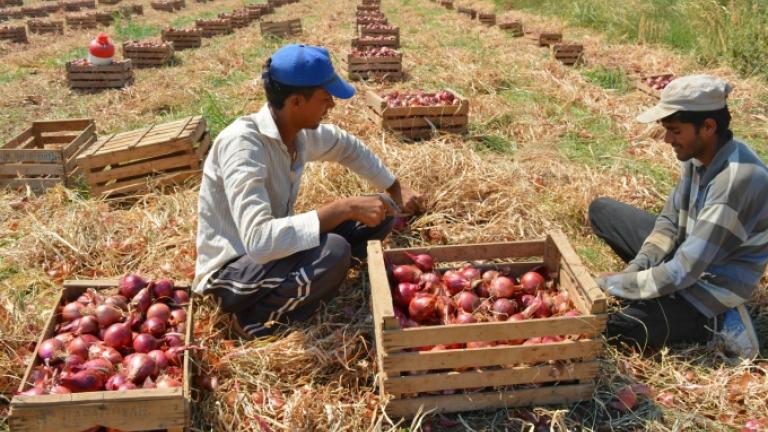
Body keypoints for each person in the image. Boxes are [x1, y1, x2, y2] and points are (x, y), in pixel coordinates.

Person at [193, 44, 424, 339]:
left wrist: (393, 186)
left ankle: (323, 278)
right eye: (325, 97)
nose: (332, 103)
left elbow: (345, 146)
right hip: (231, 275)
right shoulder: (243, 146)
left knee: (379, 210)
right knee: (335, 250)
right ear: (296, 102)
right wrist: (344, 208)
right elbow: (259, 242)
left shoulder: (296, 133)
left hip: (269, 257)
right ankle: (253, 322)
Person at [589, 75, 767, 359]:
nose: (667, 139)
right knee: (602, 210)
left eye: (674, 130)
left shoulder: (736, 181)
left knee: (614, 328)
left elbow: (685, 271)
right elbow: (669, 224)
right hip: (690, 253)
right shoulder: (701, 155)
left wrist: (614, 286)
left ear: (708, 127)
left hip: (710, 285)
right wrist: (634, 272)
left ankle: (719, 319)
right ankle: (655, 291)